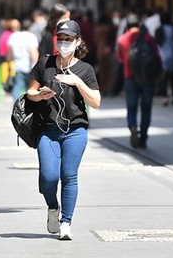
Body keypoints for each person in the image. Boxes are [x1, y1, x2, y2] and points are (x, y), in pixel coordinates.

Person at [26, 19, 100, 240]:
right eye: (61, 39)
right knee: (48, 177)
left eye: (69, 39)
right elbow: (29, 92)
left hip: (76, 130)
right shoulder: (45, 64)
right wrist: (40, 95)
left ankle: (66, 222)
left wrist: (77, 82)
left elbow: (96, 101)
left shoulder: (85, 69)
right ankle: (52, 207)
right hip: (48, 130)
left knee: (69, 175)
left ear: (78, 42)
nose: (64, 43)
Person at [117, 14, 162, 149]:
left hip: (129, 77)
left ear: (127, 26)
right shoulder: (148, 38)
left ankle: (132, 127)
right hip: (147, 78)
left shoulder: (121, 40)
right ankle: (143, 137)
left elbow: (120, 59)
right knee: (146, 108)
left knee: (131, 107)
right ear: (140, 25)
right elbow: (157, 56)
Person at [7, 19, 39, 100]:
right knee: (30, 89)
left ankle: (16, 105)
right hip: (30, 67)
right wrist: (36, 65)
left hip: (17, 66)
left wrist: (9, 64)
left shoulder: (14, 36)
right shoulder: (31, 37)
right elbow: (33, 53)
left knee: (17, 86)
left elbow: (10, 54)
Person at [155, 11, 173, 106]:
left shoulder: (158, 30)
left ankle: (165, 97)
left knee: (163, 77)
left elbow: (157, 42)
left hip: (163, 55)